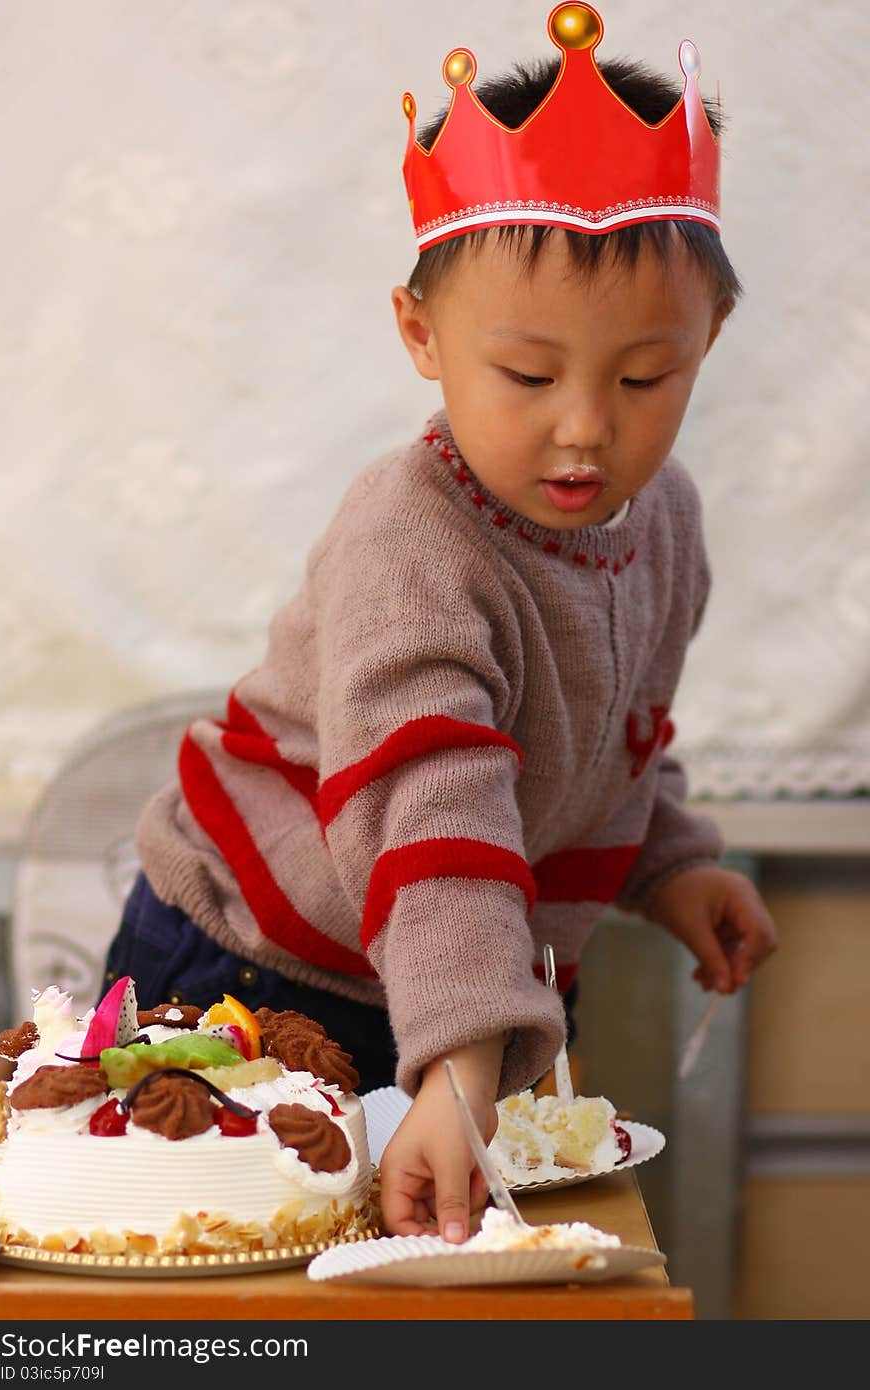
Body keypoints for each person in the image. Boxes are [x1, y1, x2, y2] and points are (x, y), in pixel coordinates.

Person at [101, 4, 777, 1246]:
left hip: (463, 986)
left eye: (643, 378)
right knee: (236, 1294)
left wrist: (670, 861)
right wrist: (463, 1065)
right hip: (255, 974)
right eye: (528, 377)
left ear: (707, 340)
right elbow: (435, 801)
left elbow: (606, 736)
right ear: (422, 334)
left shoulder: (662, 518)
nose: (585, 427)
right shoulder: (409, 540)